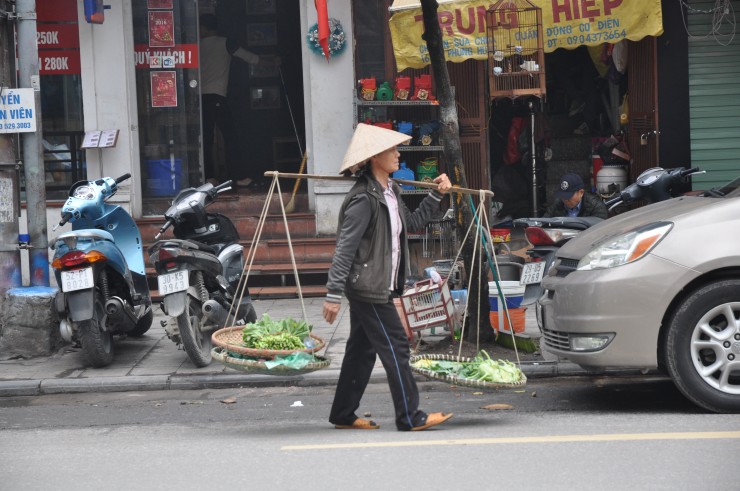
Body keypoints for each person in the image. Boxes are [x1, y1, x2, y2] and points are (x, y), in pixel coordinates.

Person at [323, 123, 454, 432]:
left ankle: (343, 412)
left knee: (362, 349)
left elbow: (414, 223)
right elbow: (345, 249)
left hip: (381, 284)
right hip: (369, 288)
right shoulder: (363, 200)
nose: (398, 154)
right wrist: (332, 294)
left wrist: (435, 196)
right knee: (396, 344)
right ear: (374, 157)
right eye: (392, 149)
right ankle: (410, 416)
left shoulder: (391, 192)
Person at [199, 14, 277, 187]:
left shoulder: (196, 46)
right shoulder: (226, 43)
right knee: (231, 137)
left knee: (205, 139)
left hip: (200, 99)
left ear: (203, 28)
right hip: (218, 96)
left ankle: (209, 177)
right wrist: (273, 63)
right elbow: (251, 58)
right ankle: (238, 176)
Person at [543, 173, 608, 219]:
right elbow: (544, 222)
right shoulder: (557, 204)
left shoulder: (596, 207)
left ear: (581, 193)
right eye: (563, 196)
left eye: (569, 196)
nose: (565, 200)